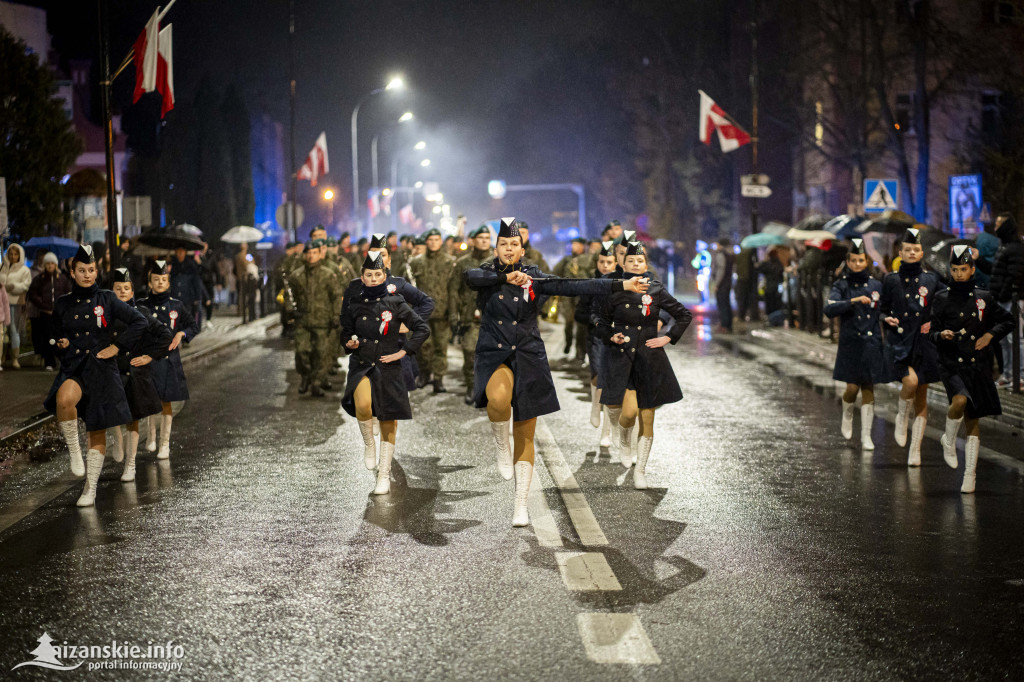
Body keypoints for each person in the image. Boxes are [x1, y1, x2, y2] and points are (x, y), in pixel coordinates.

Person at [465, 218, 650, 526]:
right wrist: (504, 278)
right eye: (503, 244)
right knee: (497, 400)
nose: (508, 249)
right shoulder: (486, 272)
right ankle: (500, 442)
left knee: (526, 432)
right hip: (494, 352)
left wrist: (622, 283)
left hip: (528, 356)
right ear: (497, 248)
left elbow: (575, 285)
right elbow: (471, 277)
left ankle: (520, 505)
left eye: (514, 245)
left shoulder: (534, 276)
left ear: (522, 250)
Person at [42, 245, 147, 506]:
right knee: (64, 399)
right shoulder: (63, 303)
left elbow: (139, 322)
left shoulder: (107, 298)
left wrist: (117, 346)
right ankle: (75, 454)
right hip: (75, 366)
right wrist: (60, 344)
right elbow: (52, 336)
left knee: (96, 431)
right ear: (73, 271)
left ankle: (90, 489)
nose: (87, 275)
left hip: (101, 369)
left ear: (96, 271)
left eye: (90, 270)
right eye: (81, 270)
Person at [595, 242, 693, 488]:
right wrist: (611, 334)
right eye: (631, 261)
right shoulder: (614, 289)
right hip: (624, 358)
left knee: (647, 417)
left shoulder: (656, 290)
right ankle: (624, 439)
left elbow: (683, 314)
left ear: (646, 265)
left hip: (650, 360)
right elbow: (600, 319)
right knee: (628, 414)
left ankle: (642, 471)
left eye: (640, 261)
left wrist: (668, 337)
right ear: (623, 264)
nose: (636, 264)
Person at [341, 252, 431, 494]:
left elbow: (422, 328)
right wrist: (348, 343)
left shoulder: (396, 301)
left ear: (384, 276)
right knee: (363, 406)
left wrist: (404, 352)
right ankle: (369, 444)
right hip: (362, 363)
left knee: (388, 418)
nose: (372, 279)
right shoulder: (355, 302)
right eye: (368, 275)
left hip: (389, 365)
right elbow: (345, 330)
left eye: (377, 275)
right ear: (362, 277)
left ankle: (384, 474)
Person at [930, 245, 1016, 492]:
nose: (958, 274)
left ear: (972, 269)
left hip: (977, 364)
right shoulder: (941, 297)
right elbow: (932, 331)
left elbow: (1007, 320)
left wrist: (990, 335)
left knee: (973, 419)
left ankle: (970, 475)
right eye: (955, 269)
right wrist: (941, 334)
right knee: (959, 401)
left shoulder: (984, 297)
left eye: (963, 269)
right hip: (951, 363)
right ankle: (948, 439)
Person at [880, 228, 946, 466]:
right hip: (899, 342)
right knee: (910, 382)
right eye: (907, 249)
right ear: (900, 252)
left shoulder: (931, 279)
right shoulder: (890, 279)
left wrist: (934, 323)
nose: (912, 252)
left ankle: (915, 450)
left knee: (922, 398)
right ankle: (901, 415)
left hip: (923, 344)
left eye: (916, 249)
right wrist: (884, 318)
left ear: (921, 253)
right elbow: (882, 308)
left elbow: (945, 304)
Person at [107, 267, 174, 481]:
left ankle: (131, 464)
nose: (123, 292)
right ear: (111, 291)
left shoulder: (142, 313)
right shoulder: (106, 313)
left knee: (133, 418)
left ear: (133, 290)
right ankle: (116, 436)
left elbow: (165, 335)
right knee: (110, 413)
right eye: (118, 288)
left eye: (126, 288)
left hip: (135, 373)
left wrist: (150, 356)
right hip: (112, 371)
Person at [823, 239, 884, 449]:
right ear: (848, 262)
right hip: (850, 343)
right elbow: (829, 308)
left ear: (866, 261)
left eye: (861, 260)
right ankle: (847, 412)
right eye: (854, 260)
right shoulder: (841, 285)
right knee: (851, 388)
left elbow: (884, 310)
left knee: (868, 387)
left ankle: (867, 435)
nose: (858, 264)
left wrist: (888, 319)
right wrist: (852, 302)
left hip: (871, 342)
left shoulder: (876, 285)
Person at [138, 260, 202, 459]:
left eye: (163, 280)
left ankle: (164, 443)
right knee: (151, 399)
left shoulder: (176, 305)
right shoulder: (143, 305)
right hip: (150, 359)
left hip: (169, 360)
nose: (159, 283)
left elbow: (193, 325)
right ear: (150, 283)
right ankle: (151, 435)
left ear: (168, 282)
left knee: (166, 402)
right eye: (156, 280)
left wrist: (181, 333)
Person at [575, 240, 619, 453]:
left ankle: (607, 431)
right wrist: (594, 320)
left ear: (616, 263)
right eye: (602, 261)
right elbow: (579, 313)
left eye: (609, 262)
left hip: (618, 338)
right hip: (596, 337)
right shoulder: (591, 283)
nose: (605, 266)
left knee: (613, 383)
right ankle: (595, 404)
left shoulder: (621, 282)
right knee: (598, 376)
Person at [286, 239, 343, 397]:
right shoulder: (297, 276)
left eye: (314, 253)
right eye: (308, 253)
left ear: (319, 254)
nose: (311, 256)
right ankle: (306, 376)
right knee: (301, 351)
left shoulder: (328, 274)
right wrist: (290, 310)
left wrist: (336, 316)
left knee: (320, 353)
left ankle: (316, 383)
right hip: (302, 320)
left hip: (322, 320)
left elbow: (337, 296)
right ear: (305, 255)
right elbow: (288, 295)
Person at [409, 227, 456, 393]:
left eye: (437, 239)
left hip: (442, 312)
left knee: (440, 347)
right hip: (423, 313)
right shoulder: (416, 262)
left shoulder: (450, 262)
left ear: (441, 241)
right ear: (426, 242)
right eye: (431, 240)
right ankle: (424, 374)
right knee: (423, 347)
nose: (434, 243)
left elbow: (453, 289)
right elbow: (409, 289)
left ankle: (438, 379)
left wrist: (452, 312)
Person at [450, 225, 493, 403]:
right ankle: (472, 387)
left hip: (491, 316)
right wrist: (453, 315)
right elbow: (453, 290)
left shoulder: (496, 261)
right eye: (480, 237)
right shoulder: (462, 262)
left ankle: (488, 389)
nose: (484, 240)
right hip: (469, 316)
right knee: (469, 353)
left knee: (490, 354)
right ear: (473, 241)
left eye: (487, 238)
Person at [989, 213, 1024, 388]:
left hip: (1011, 300)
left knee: (1016, 339)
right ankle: (1009, 374)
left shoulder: (1015, 248)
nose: (995, 227)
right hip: (1001, 300)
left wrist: (1003, 294)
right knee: (1004, 339)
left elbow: (1014, 276)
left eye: (998, 224)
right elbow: (997, 272)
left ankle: (1021, 375)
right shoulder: (1004, 246)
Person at [27, 252, 72, 371]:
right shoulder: (39, 279)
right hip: (45, 313)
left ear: (56, 264)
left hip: (59, 314)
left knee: (60, 337)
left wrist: (62, 306)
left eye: (52, 263)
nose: (50, 265)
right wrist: (42, 304)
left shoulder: (62, 279)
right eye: (48, 263)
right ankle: (49, 361)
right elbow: (32, 294)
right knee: (46, 338)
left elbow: (68, 293)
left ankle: (62, 359)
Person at [553, 238, 588, 358]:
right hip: (567, 296)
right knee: (568, 322)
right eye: (573, 245)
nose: (575, 247)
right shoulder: (566, 260)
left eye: (577, 245)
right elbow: (555, 272)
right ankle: (568, 343)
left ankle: (580, 350)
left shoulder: (588, 259)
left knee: (581, 325)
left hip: (582, 296)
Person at [0, 243, 31, 369]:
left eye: (15, 254)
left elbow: (26, 285)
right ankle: (2, 358)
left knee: (14, 330)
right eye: (11, 254)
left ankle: (15, 358)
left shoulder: (25, 270)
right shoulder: (2, 268)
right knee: (2, 332)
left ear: (20, 255)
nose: (13, 256)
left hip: (15, 302)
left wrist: (13, 286)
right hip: (1, 303)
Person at [712, 238, 734, 333]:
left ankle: (724, 325)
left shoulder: (721, 255)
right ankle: (728, 325)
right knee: (727, 304)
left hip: (722, 284)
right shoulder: (731, 255)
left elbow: (721, 270)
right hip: (728, 282)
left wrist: (717, 284)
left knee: (722, 304)